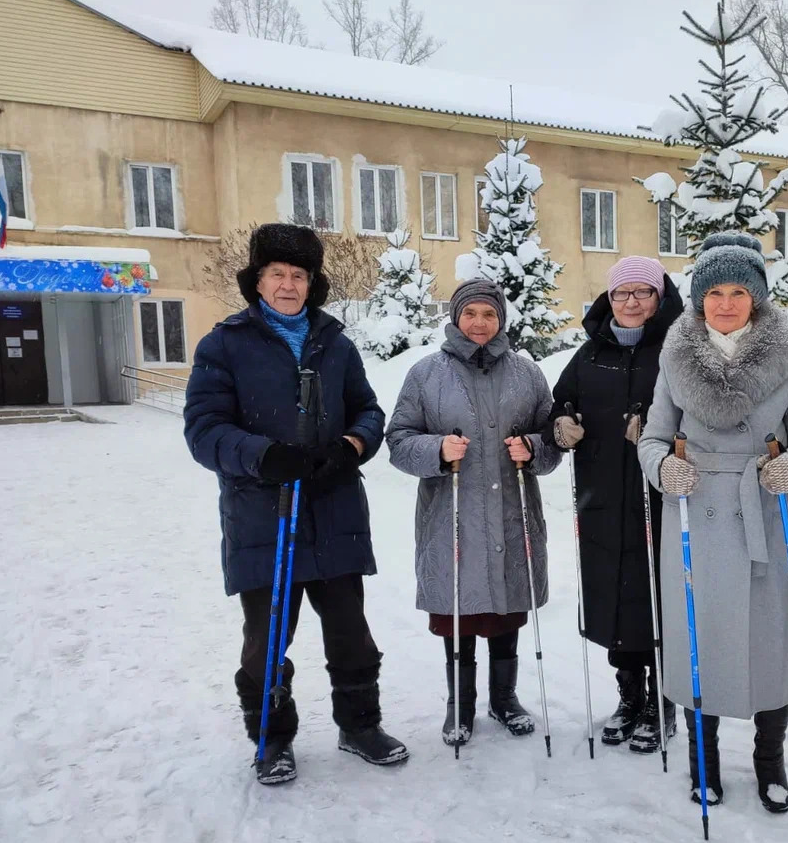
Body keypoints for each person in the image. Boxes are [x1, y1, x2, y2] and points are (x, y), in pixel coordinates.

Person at [183, 222, 409, 786]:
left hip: (334, 512)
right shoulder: (224, 345)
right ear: (258, 281)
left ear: (312, 283)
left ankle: (359, 726)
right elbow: (204, 431)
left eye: (298, 275)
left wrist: (350, 446)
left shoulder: (335, 343)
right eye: (277, 274)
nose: (288, 284)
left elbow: (369, 411)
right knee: (265, 640)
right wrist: (264, 456)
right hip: (264, 516)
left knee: (351, 632)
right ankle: (272, 739)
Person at [638, 233, 788, 813]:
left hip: (767, 514)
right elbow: (651, 436)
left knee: (771, 644)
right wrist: (663, 467)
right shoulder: (675, 353)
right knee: (701, 639)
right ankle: (705, 761)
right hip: (697, 513)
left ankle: (770, 761)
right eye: (714, 292)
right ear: (699, 300)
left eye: (738, 291)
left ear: (758, 297)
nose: (725, 303)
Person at [386, 279, 562, 747]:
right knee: (459, 612)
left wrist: (535, 447)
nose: (480, 323)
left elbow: (552, 441)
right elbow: (398, 442)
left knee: (506, 610)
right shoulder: (426, 373)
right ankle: (459, 705)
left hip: (511, 511)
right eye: (470, 314)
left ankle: (504, 699)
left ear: (501, 319)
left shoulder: (528, 374)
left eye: (489, 313)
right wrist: (437, 450)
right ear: (456, 318)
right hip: (453, 516)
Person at [547, 256, 683, 752]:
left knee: (656, 599)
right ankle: (629, 697)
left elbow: (704, 415)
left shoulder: (677, 350)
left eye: (643, 293)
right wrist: (562, 425)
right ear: (609, 300)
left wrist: (666, 439)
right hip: (602, 496)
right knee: (616, 602)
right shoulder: (589, 355)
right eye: (622, 294)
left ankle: (663, 702)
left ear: (660, 298)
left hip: (660, 497)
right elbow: (560, 404)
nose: (631, 302)